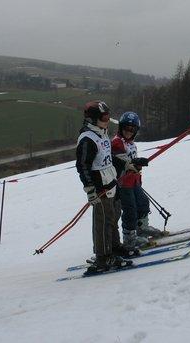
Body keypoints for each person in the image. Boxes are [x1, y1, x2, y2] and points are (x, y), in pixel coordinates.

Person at [75, 101, 138, 273]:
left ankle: (114, 247)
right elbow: (83, 166)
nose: (107, 120)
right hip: (99, 188)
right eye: (104, 117)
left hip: (111, 184)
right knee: (103, 223)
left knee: (112, 218)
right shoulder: (87, 139)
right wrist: (90, 190)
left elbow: (109, 157)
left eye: (109, 116)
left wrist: (126, 165)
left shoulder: (102, 134)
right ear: (93, 119)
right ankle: (103, 257)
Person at [112, 111, 163, 251]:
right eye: (126, 128)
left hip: (134, 181)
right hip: (124, 184)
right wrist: (135, 162)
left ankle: (142, 228)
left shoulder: (131, 143)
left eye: (132, 129)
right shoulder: (117, 142)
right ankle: (129, 238)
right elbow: (121, 162)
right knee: (130, 210)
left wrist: (138, 164)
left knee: (143, 203)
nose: (129, 131)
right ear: (121, 127)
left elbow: (132, 162)